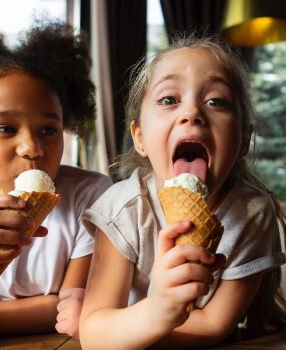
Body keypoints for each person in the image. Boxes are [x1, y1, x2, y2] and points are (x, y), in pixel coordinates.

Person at [79, 33, 286, 349]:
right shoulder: (122, 208)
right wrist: (156, 313)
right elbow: (94, 332)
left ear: (244, 138)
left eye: (216, 101)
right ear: (140, 137)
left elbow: (214, 326)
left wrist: (127, 332)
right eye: (168, 100)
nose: (192, 113)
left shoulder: (252, 212)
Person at [0, 2, 112, 338]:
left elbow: (66, 309)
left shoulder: (91, 196)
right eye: (5, 128)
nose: (32, 147)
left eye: (48, 130)